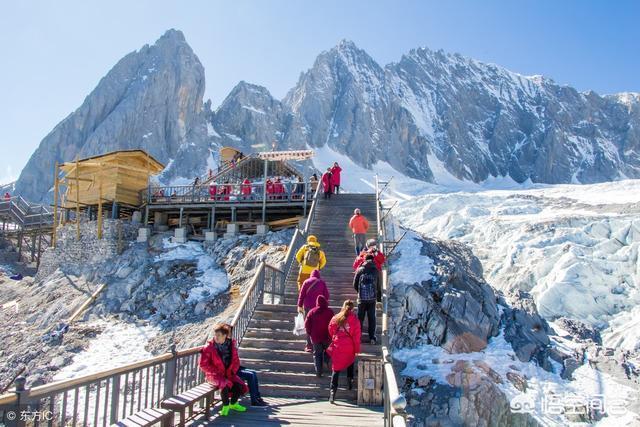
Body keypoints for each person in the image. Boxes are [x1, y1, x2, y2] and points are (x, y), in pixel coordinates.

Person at [199, 323, 248, 416]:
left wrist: (232, 371)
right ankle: (225, 406)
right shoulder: (209, 347)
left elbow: (236, 361)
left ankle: (233, 404)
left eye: (219, 335)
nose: (216, 337)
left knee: (239, 385)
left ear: (225, 336)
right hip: (213, 375)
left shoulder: (231, 345)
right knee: (224, 384)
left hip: (228, 373)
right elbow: (203, 364)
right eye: (215, 335)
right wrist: (217, 372)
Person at [327, 300, 361, 403]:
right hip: (349, 346)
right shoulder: (355, 320)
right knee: (350, 362)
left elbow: (330, 328)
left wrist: (336, 336)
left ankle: (332, 393)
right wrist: (357, 349)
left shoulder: (336, 317)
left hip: (338, 346)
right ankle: (350, 381)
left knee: (336, 369)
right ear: (353, 309)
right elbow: (356, 337)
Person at [297, 269, 330, 352]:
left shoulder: (306, 282)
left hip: (307, 307)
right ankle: (319, 344)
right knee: (318, 325)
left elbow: (301, 295)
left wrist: (299, 305)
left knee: (308, 326)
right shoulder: (322, 282)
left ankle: (309, 346)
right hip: (318, 308)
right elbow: (327, 295)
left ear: (311, 275)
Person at [353, 254, 381, 345]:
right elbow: (378, 286)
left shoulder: (360, 269)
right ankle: (372, 337)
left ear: (364, 260)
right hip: (372, 299)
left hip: (361, 299)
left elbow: (354, 284)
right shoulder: (375, 270)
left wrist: (360, 292)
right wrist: (378, 299)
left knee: (360, 318)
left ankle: (358, 336)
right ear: (373, 260)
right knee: (372, 318)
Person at [304, 295, 335, 377]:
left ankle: (318, 371)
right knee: (329, 351)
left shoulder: (311, 312)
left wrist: (310, 333)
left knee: (317, 354)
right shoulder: (330, 312)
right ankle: (326, 359)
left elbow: (306, 325)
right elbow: (334, 324)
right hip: (327, 337)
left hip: (316, 338)